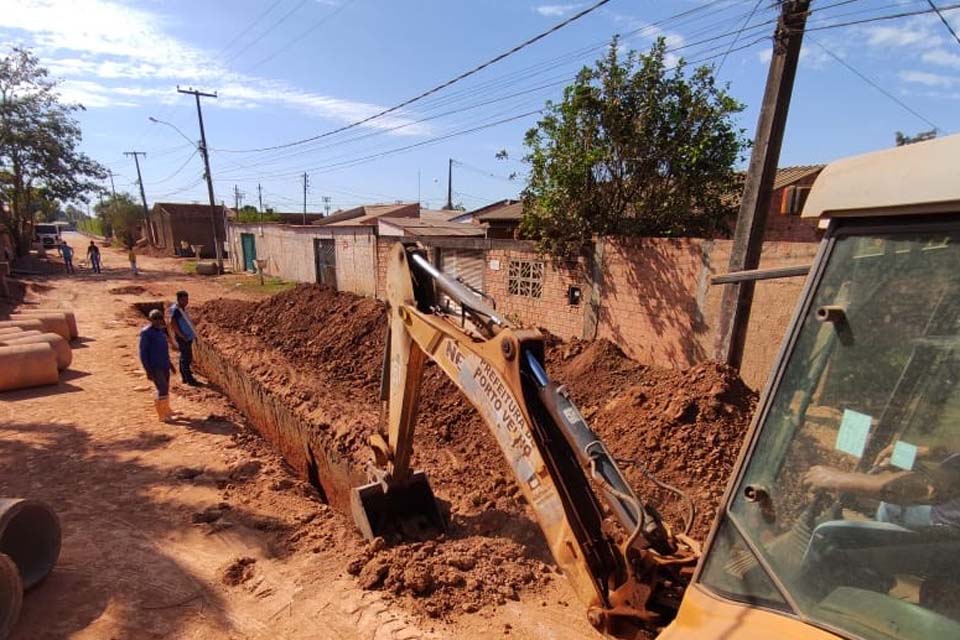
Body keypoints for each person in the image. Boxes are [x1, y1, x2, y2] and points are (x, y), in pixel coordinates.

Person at [139, 309, 176, 422]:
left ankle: (166, 409)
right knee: (162, 388)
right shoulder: (146, 333)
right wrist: (148, 370)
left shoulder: (160, 331)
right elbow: (143, 353)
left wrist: (170, 364)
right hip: (155, 366)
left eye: (160, 318)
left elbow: (164, 350)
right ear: (150, 319)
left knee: (165, 387)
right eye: (155, 318)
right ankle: (162, 415)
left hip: (164, 364)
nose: (158, 320)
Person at [169, 290, 199, 386]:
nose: (186, 302)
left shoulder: (181, 309)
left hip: (187, 337)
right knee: (187, 358)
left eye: (187, 300)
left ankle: (185, 377)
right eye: (184, 300)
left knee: (184, 357)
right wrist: (181, 335)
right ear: (178, 300)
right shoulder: (177, 310)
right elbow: (172, 323)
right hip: (183, 338)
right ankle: (189, 379)